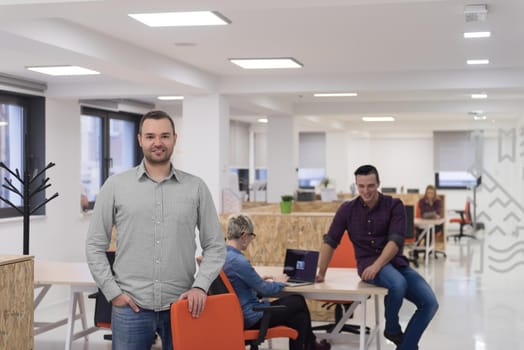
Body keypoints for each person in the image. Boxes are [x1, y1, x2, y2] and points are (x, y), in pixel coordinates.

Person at [85, 110, 226, 350]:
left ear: (174, 139)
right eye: (150, 136)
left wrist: (200, 286)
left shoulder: (196, 188)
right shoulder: (116, 186)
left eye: (164, 136)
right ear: (140, 139)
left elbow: (215, 245)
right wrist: (113, 293)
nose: (157, 143)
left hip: (182, 305)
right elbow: (94, 246)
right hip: (130, 307)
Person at [316, 165, 438, 350]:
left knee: (430, 303)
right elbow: (331, 241)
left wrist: (377, 266)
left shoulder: (394, 205)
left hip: (395, 262)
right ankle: (394, 330)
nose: (366, 191)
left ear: (379, 183)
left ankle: (400, 340)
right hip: (367, 264)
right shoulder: (347, 209)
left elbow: (395, 240)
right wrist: (321, 272)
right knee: (397, 284)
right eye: (361, 186)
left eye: (370, 186)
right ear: (356, 185)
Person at [224, 213, 331, 350]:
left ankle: (310, 344)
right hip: (253, 317)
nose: (251, 240)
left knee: (300, 318)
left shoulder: (225, 256)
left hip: (239, 316)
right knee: (298, 300)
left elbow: (237, 285)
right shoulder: (239, 261)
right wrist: (280, 281)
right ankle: (312, 343)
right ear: (244, 236)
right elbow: (265, 290)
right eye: (251, 236)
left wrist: (254, 282)